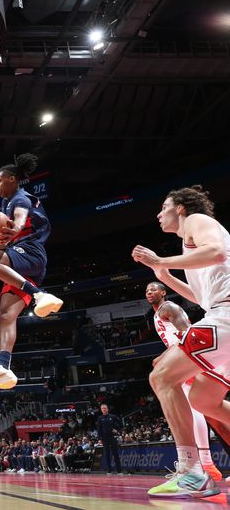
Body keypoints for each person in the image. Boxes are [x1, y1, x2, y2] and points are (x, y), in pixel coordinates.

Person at [132, 185, 229, 498]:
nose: (159, 214)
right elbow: (201, 298)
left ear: (182, 208)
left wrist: (163, 258)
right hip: (220, 311)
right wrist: (166, 276)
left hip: (227, 315)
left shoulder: (197, 222)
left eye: (164, 207)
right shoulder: (189, 247)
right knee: (203, 400)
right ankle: (195, 471)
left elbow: (216, 252)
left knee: (161, 377)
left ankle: (192, 471)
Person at [0, 154, 63, 391]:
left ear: (12, 179)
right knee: (5, 315)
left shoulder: (18, 199)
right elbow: (4, 241)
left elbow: (21, 219)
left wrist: (17, 229)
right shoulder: (6, 204)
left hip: (30, 252)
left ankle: (38, 295)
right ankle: (3, 368)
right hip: (20, 261)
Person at [145, 281, 222, 481]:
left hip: (188, 355)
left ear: (163, 292)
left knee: (197, 408)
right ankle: (205, 462)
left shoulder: (168, 307)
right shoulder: (158, 313)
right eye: (146, 291)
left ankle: (203, 462)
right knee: (200, 408)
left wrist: (167, 356)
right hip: (184, 355)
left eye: (153, 289)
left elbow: (187, 333)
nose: (149, 292)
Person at [96, 404, 123, 475]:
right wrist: (99, 438)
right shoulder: (100, 418)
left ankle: (119, 471)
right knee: (107, 454)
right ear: (101, 410)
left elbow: (121, 424)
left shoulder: (113, 416)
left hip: (112, 437)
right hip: (105, 439)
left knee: (115, 454)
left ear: (107, 409)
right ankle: (109, 470)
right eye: (102, 408)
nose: (104, 409)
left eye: (105, 408)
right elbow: (99, 429)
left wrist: (116, 430)